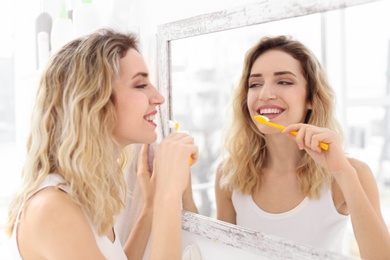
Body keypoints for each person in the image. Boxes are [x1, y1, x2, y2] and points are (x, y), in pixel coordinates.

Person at [4, 28, 198, 259]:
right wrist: (168, 192)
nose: (158, 97)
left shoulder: (82, 194)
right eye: (140, 85)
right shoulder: (51, 209)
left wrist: (150, 206)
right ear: (94, 102)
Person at [215, 35, 390, 259]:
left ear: (311, 98)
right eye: (255, 84)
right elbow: (221, 252)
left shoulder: (353, 173)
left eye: (284, 82)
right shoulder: (229, 174)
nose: (265, 94)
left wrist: (342, 172)